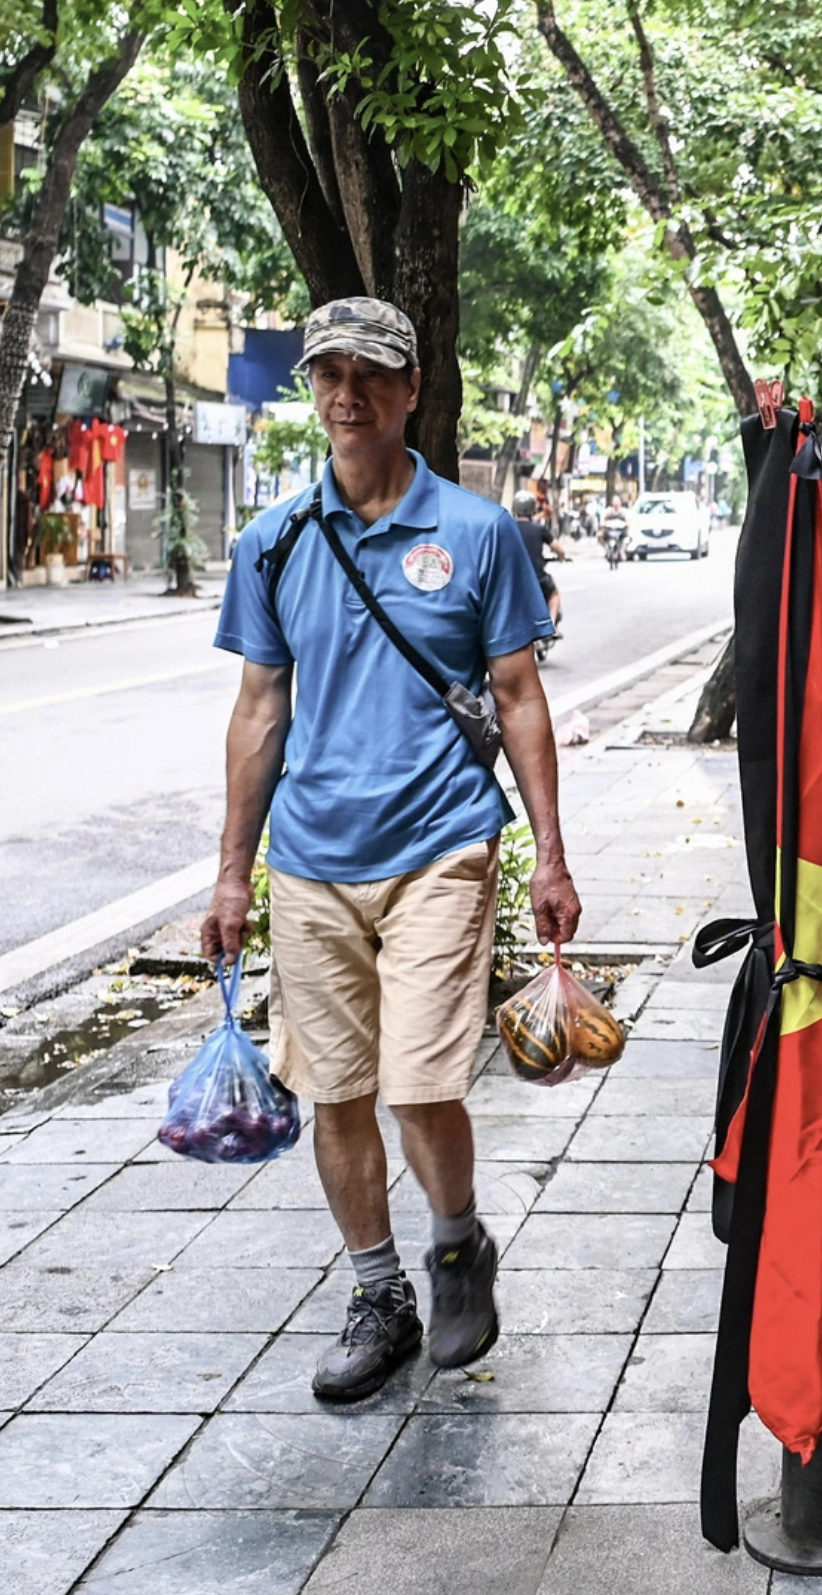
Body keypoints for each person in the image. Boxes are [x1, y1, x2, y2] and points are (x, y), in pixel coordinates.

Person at [200, 297, 581, 1403]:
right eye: (328, 373)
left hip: (441, 846)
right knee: (337, 1092)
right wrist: (232, 872)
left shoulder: (477, 531)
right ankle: (378, 1292)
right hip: (312, 858)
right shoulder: (272, 541)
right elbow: (258, 710)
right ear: (311, 389)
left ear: (413, 388)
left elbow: (520, 695)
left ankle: (456, 1241)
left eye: (371, 373)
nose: (347, 394)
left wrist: (551, 854)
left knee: (419, 1085)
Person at [509, 493, 567, 638]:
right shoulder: (539, 529)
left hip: (512, 580)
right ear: (533, 509)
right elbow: (559, 549)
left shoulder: (507, 528)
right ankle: (551, 625)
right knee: (554, 594)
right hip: (537, 579)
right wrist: (562, 557)